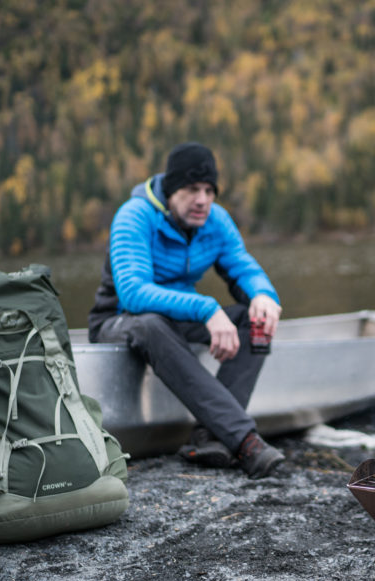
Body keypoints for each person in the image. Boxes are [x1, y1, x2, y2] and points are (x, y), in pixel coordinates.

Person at [88, 142, 285, 479]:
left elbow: (243, 267)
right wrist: (207, 308)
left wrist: (263, 295)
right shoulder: (134, 216)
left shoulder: (215, 220)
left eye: (209, 190)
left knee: (256, 321)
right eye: (192, 189)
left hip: (174, 323)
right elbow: (134, 294)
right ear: (170, 189)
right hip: (119, 322)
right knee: (150, 323)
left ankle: (209, 436)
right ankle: (244, 440)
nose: (203, 200)